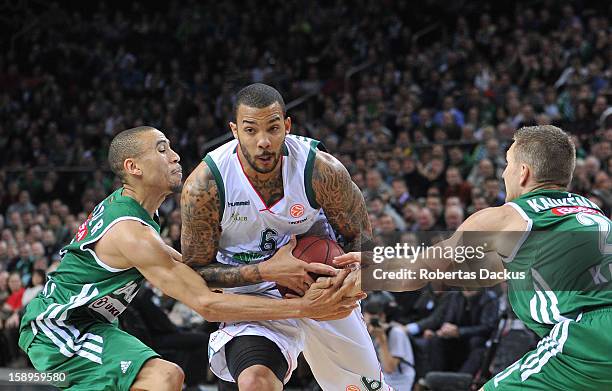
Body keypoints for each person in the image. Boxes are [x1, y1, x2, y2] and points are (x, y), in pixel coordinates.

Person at [18, 126, 363, 391]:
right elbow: (206, 304)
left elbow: (190, 269)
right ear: (132, 166)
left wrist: (266, 269)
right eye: (162, 149)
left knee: (166, 377)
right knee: (164, 377)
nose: (176, 156)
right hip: (59, 328)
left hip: (93, 324)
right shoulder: (132, 234)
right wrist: (305, 308)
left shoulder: (133, 215)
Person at [336, 125, 612, 390]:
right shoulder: (590, 212)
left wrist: (362, 278)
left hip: (587, 340)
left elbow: (417, 274)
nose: (504, 173)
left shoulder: (507, 217)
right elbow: (479, 272)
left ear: (523, 172)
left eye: (508, 164)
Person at [181, 84, 389, 391]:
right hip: (253, 295)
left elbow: (363, 243)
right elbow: (197, 274)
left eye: (273, 128)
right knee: (255, 383)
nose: (263, 141)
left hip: (323, 285)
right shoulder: (205, 185)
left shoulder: (321, 170)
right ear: (235, 130)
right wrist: (266, 271)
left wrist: (355, 274)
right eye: (250, 130)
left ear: (287, 126)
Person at [364, 299, 415, 390]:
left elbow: (389, 369)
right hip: (382, 379)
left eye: (373, 322)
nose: (370, 327)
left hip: (400, 380)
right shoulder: (368, 334)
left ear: (383, 317)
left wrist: (382, 339)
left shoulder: (396, 333)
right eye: (366, 324)